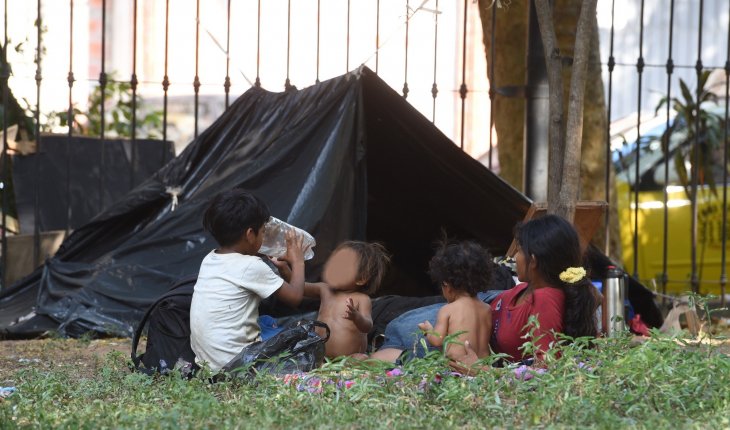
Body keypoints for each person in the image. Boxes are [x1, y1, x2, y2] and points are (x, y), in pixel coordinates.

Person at [372, 215, 599, 367]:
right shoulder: (532, 289)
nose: (514, 257)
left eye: (518, 250)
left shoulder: (545, 299)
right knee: (393, 317)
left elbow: (544, 368)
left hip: (463, 338)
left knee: (387, 330)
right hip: (485, 302)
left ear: (534, 261)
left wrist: (481, 372)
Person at [189, 189, 306, 372]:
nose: (263, 237)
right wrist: (297, 260)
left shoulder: (210, 259)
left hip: (207, 364)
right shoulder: (251, 265)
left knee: (266, 321)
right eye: (263, 232)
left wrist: (282, 268)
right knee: (299, 337)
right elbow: (295, 297)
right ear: (250, 234)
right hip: (239, 365)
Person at [304, 241, 390, 358]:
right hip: (321, 357)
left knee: (361, 358)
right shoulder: (324, 289)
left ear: (361, 279)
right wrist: (286, 267)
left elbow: (367, 326)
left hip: (350, 357)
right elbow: (299, 287)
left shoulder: (362, 299)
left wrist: (357, 317)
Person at [417, 241, 494, 361]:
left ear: (446, 285)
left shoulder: (448, 310)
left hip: (458, 369)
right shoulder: (487, 309)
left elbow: (437, 340)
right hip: (481, 369)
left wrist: (428, 330)